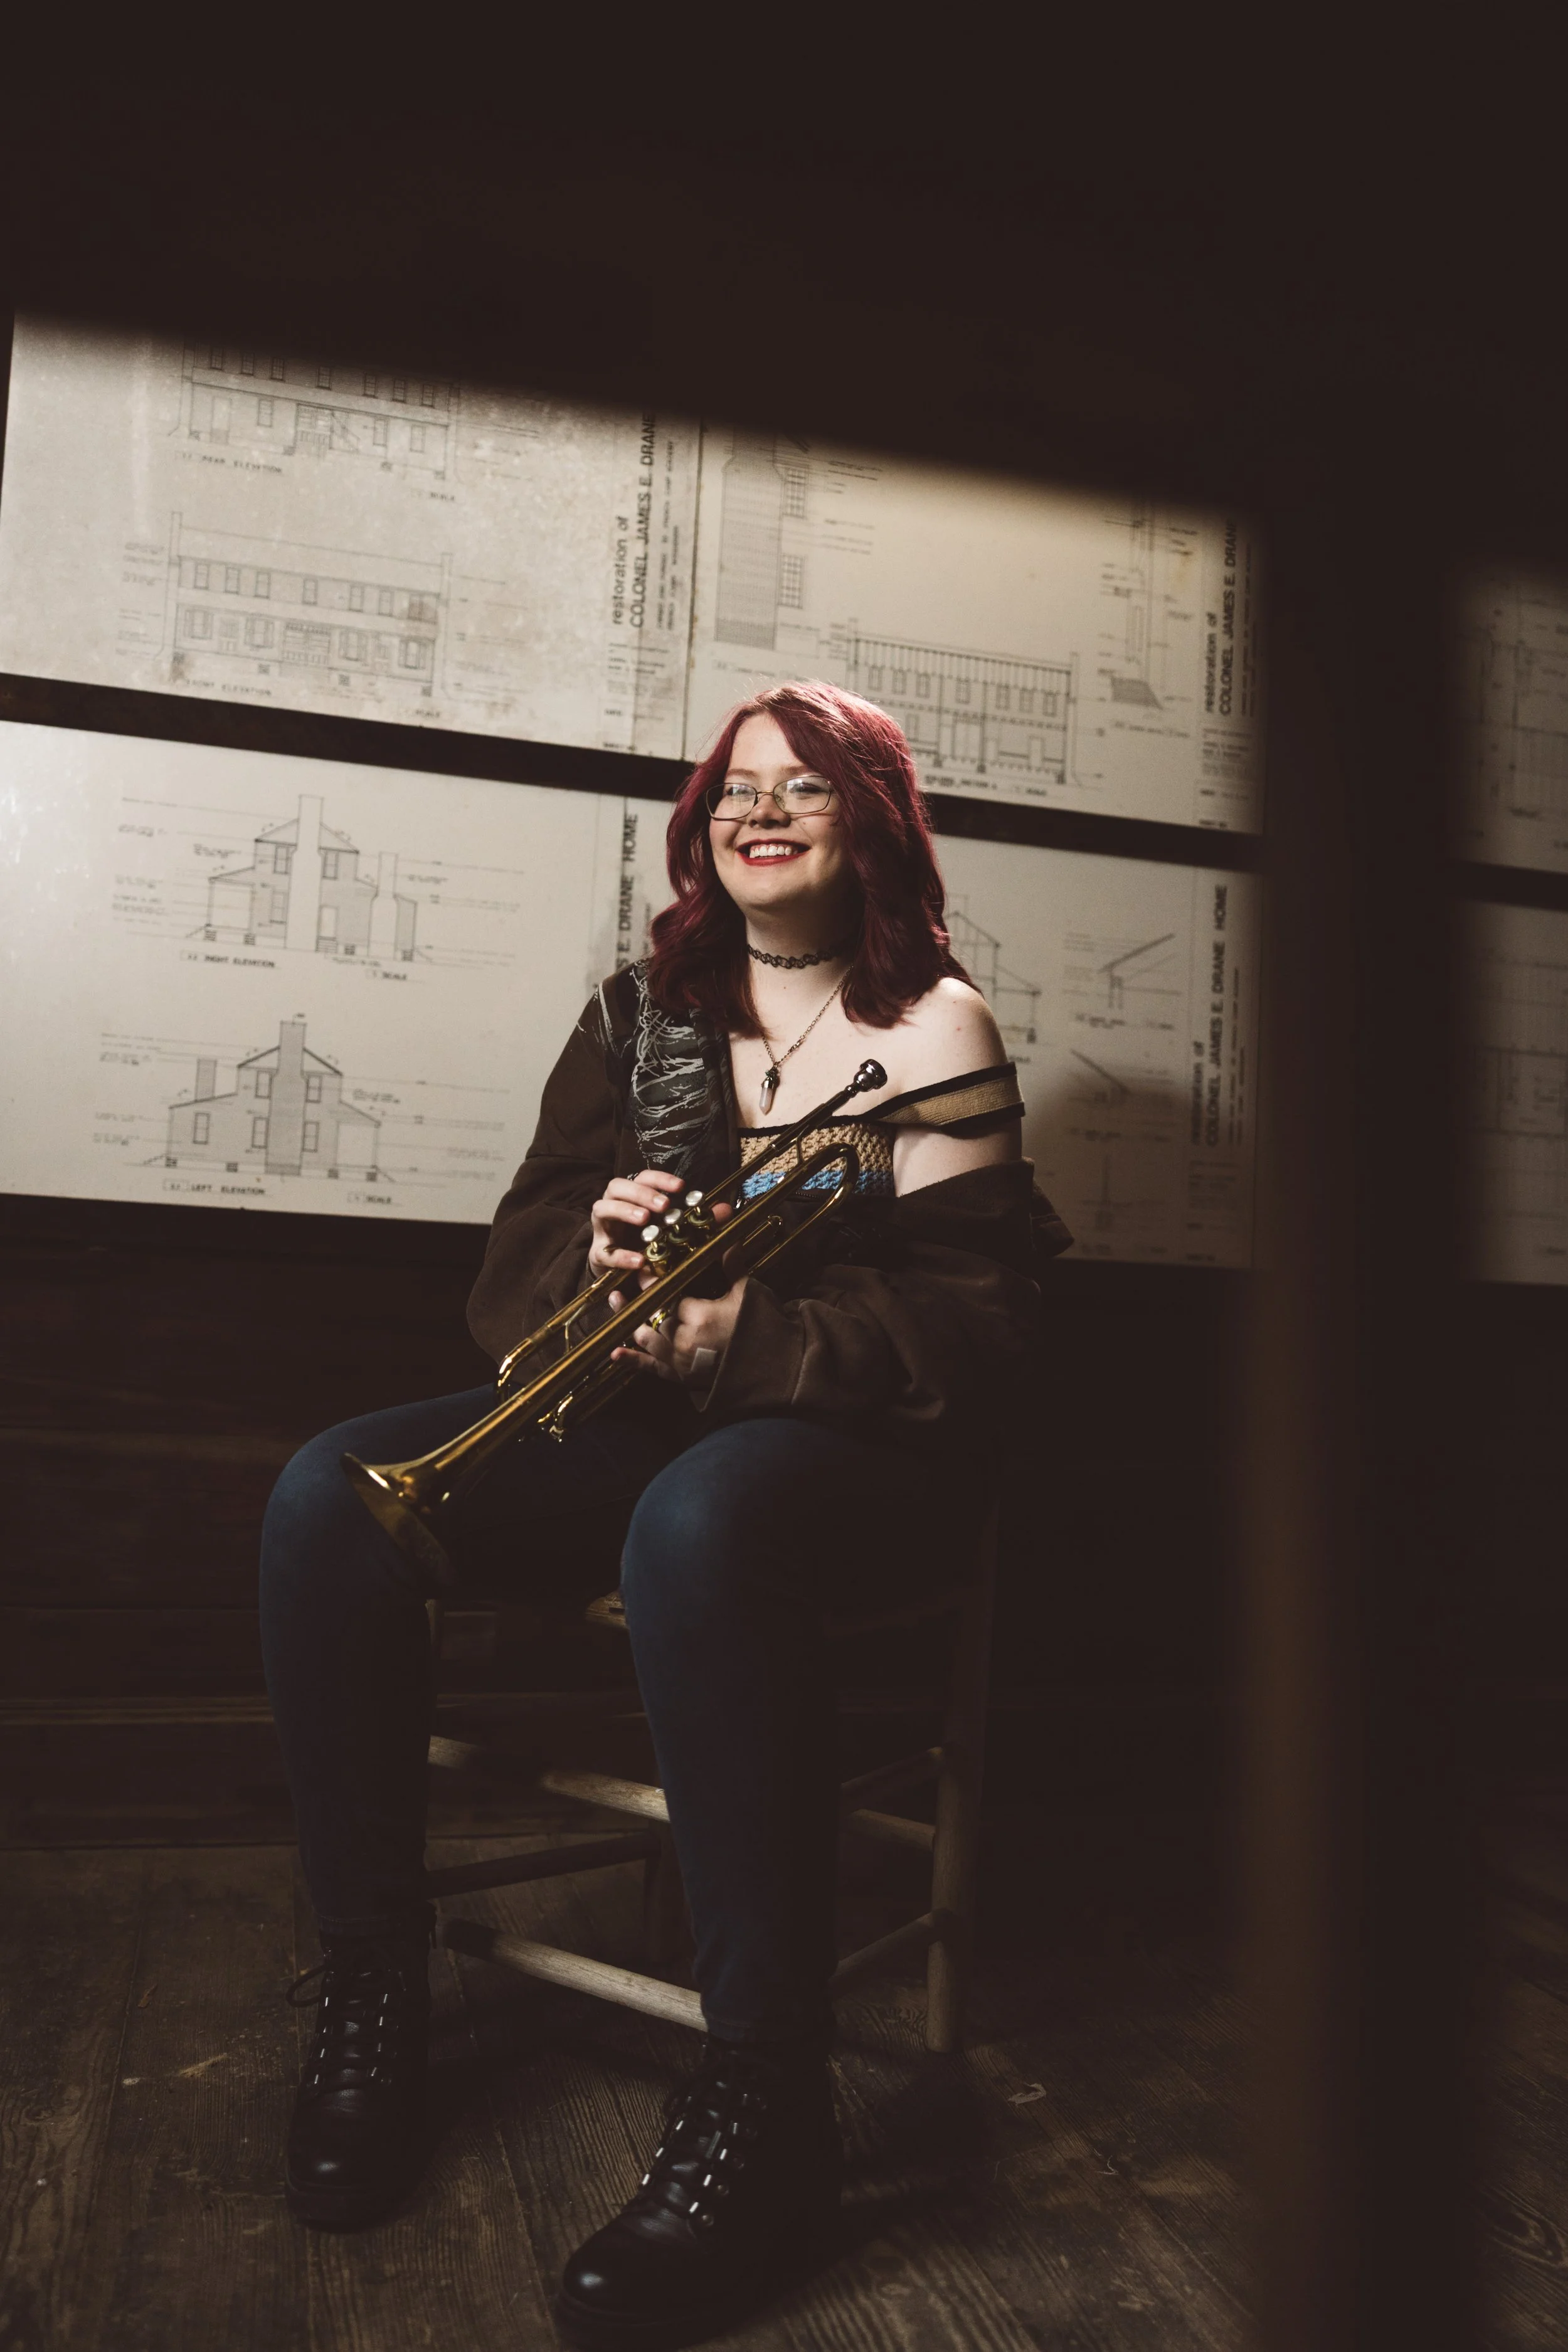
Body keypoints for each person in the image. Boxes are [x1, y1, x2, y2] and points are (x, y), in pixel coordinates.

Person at [258, 679, 1070, 2348]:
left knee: (702, 1521)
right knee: (327, 1500)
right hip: (652, 1433)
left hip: (854, 1456)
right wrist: (603, 1259)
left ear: (871, 820)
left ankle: (766, 2109)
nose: (758, 811)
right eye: (730, 791)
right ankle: (372, 1988)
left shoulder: (935, 1030)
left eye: (803, 786)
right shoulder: (640, 1022)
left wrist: (744, 1332)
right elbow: (515, 1282)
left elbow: (983, 1341)